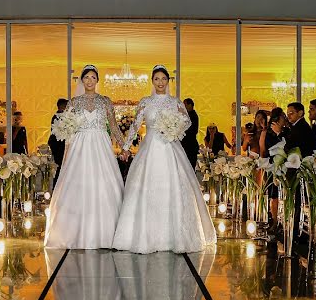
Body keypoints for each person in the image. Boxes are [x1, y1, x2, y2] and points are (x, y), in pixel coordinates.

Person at [112, 65, 216, 254]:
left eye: (163, 79)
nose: (160, 82)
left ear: (168, 81)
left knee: (172, 187)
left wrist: (173, 129)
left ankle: (174, 236)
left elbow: (187, 121)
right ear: (152, 81)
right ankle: (142, 236)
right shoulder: (145, 102)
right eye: (157, 79)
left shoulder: (175, 102)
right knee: (146, 188)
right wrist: (126, 147)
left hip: (169, 147)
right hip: (150, 147)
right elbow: (135, 126)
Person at [45, 65, 125, 249]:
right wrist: (66, 155)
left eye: (93, 77)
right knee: (77, 185)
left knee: (103, 184)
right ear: (82, 81)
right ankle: (75, 232)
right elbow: (68, 129)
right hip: (79, 146)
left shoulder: (105, 101)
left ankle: (105, 233)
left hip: (100, 144)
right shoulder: (74, 102)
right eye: (86, 77)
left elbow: (113, 126)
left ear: (97, 80)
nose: (89, 81)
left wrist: (124, 146)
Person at [48, 98, 68, 182]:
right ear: (62, 106)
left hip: (58, 144)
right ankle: (57, 183)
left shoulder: (59, 115)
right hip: (58, 145)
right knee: (59, 165)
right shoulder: (58, 116)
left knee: (60, 165)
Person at [181, 98, 200, 168]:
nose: (183, 106)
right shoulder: (187, 115)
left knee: (190, 167)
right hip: (187, 145)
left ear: (190, 105)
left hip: (190, 145)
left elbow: (193, 131)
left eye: (185, 104)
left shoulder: (193, 116)